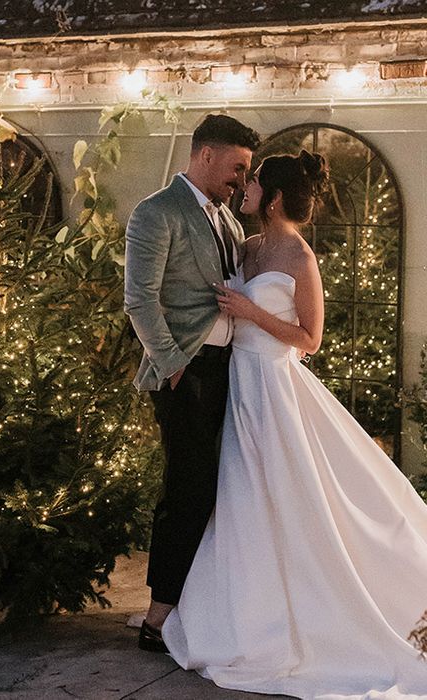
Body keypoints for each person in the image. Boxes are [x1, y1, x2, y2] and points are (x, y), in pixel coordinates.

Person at [161, 150, 427, 698]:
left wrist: (253, 312)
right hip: (240, 385)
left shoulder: (300, 256)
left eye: (253, 181)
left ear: (274, 195)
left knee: (291, 494)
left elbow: (310, 340)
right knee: (244, 497)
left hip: (276, 388)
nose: (245, 188)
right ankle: (247, 607)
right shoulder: (248, 245)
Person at [124, 114, 261, 652]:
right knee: (187, 490)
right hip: (186, 371)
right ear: (205, 155)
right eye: (237, 166)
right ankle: (159, 618)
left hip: (230, 370)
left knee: (219, 487)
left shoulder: (226, 219)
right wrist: (173, 361)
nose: (241, 180)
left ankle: (196, 606)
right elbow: (140, 298)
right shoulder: (156, 213)